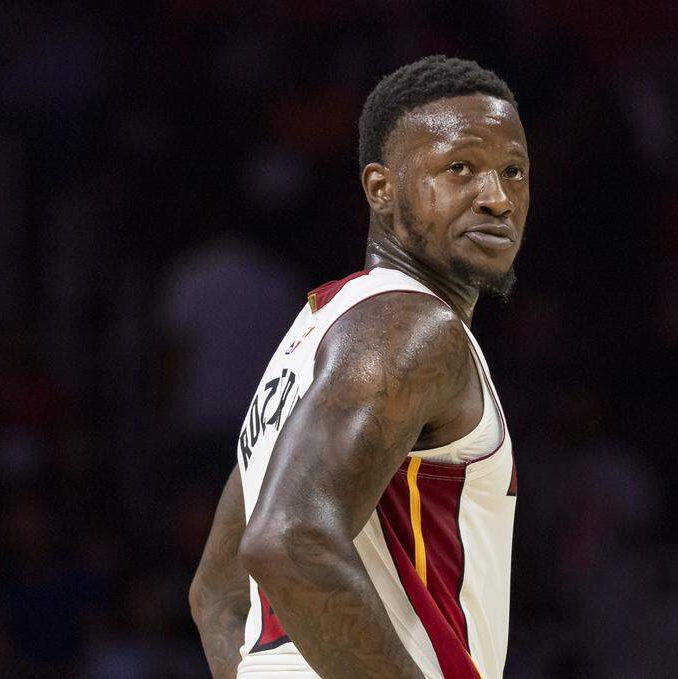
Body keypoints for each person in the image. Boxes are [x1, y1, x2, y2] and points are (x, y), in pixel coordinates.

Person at [190, 55, 527, 679]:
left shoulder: (317, 329)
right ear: (380, 188)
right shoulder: (410, 330)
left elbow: (218, 592)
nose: (497, 198)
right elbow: (285, 543)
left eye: (513, 172)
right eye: (461, 168)